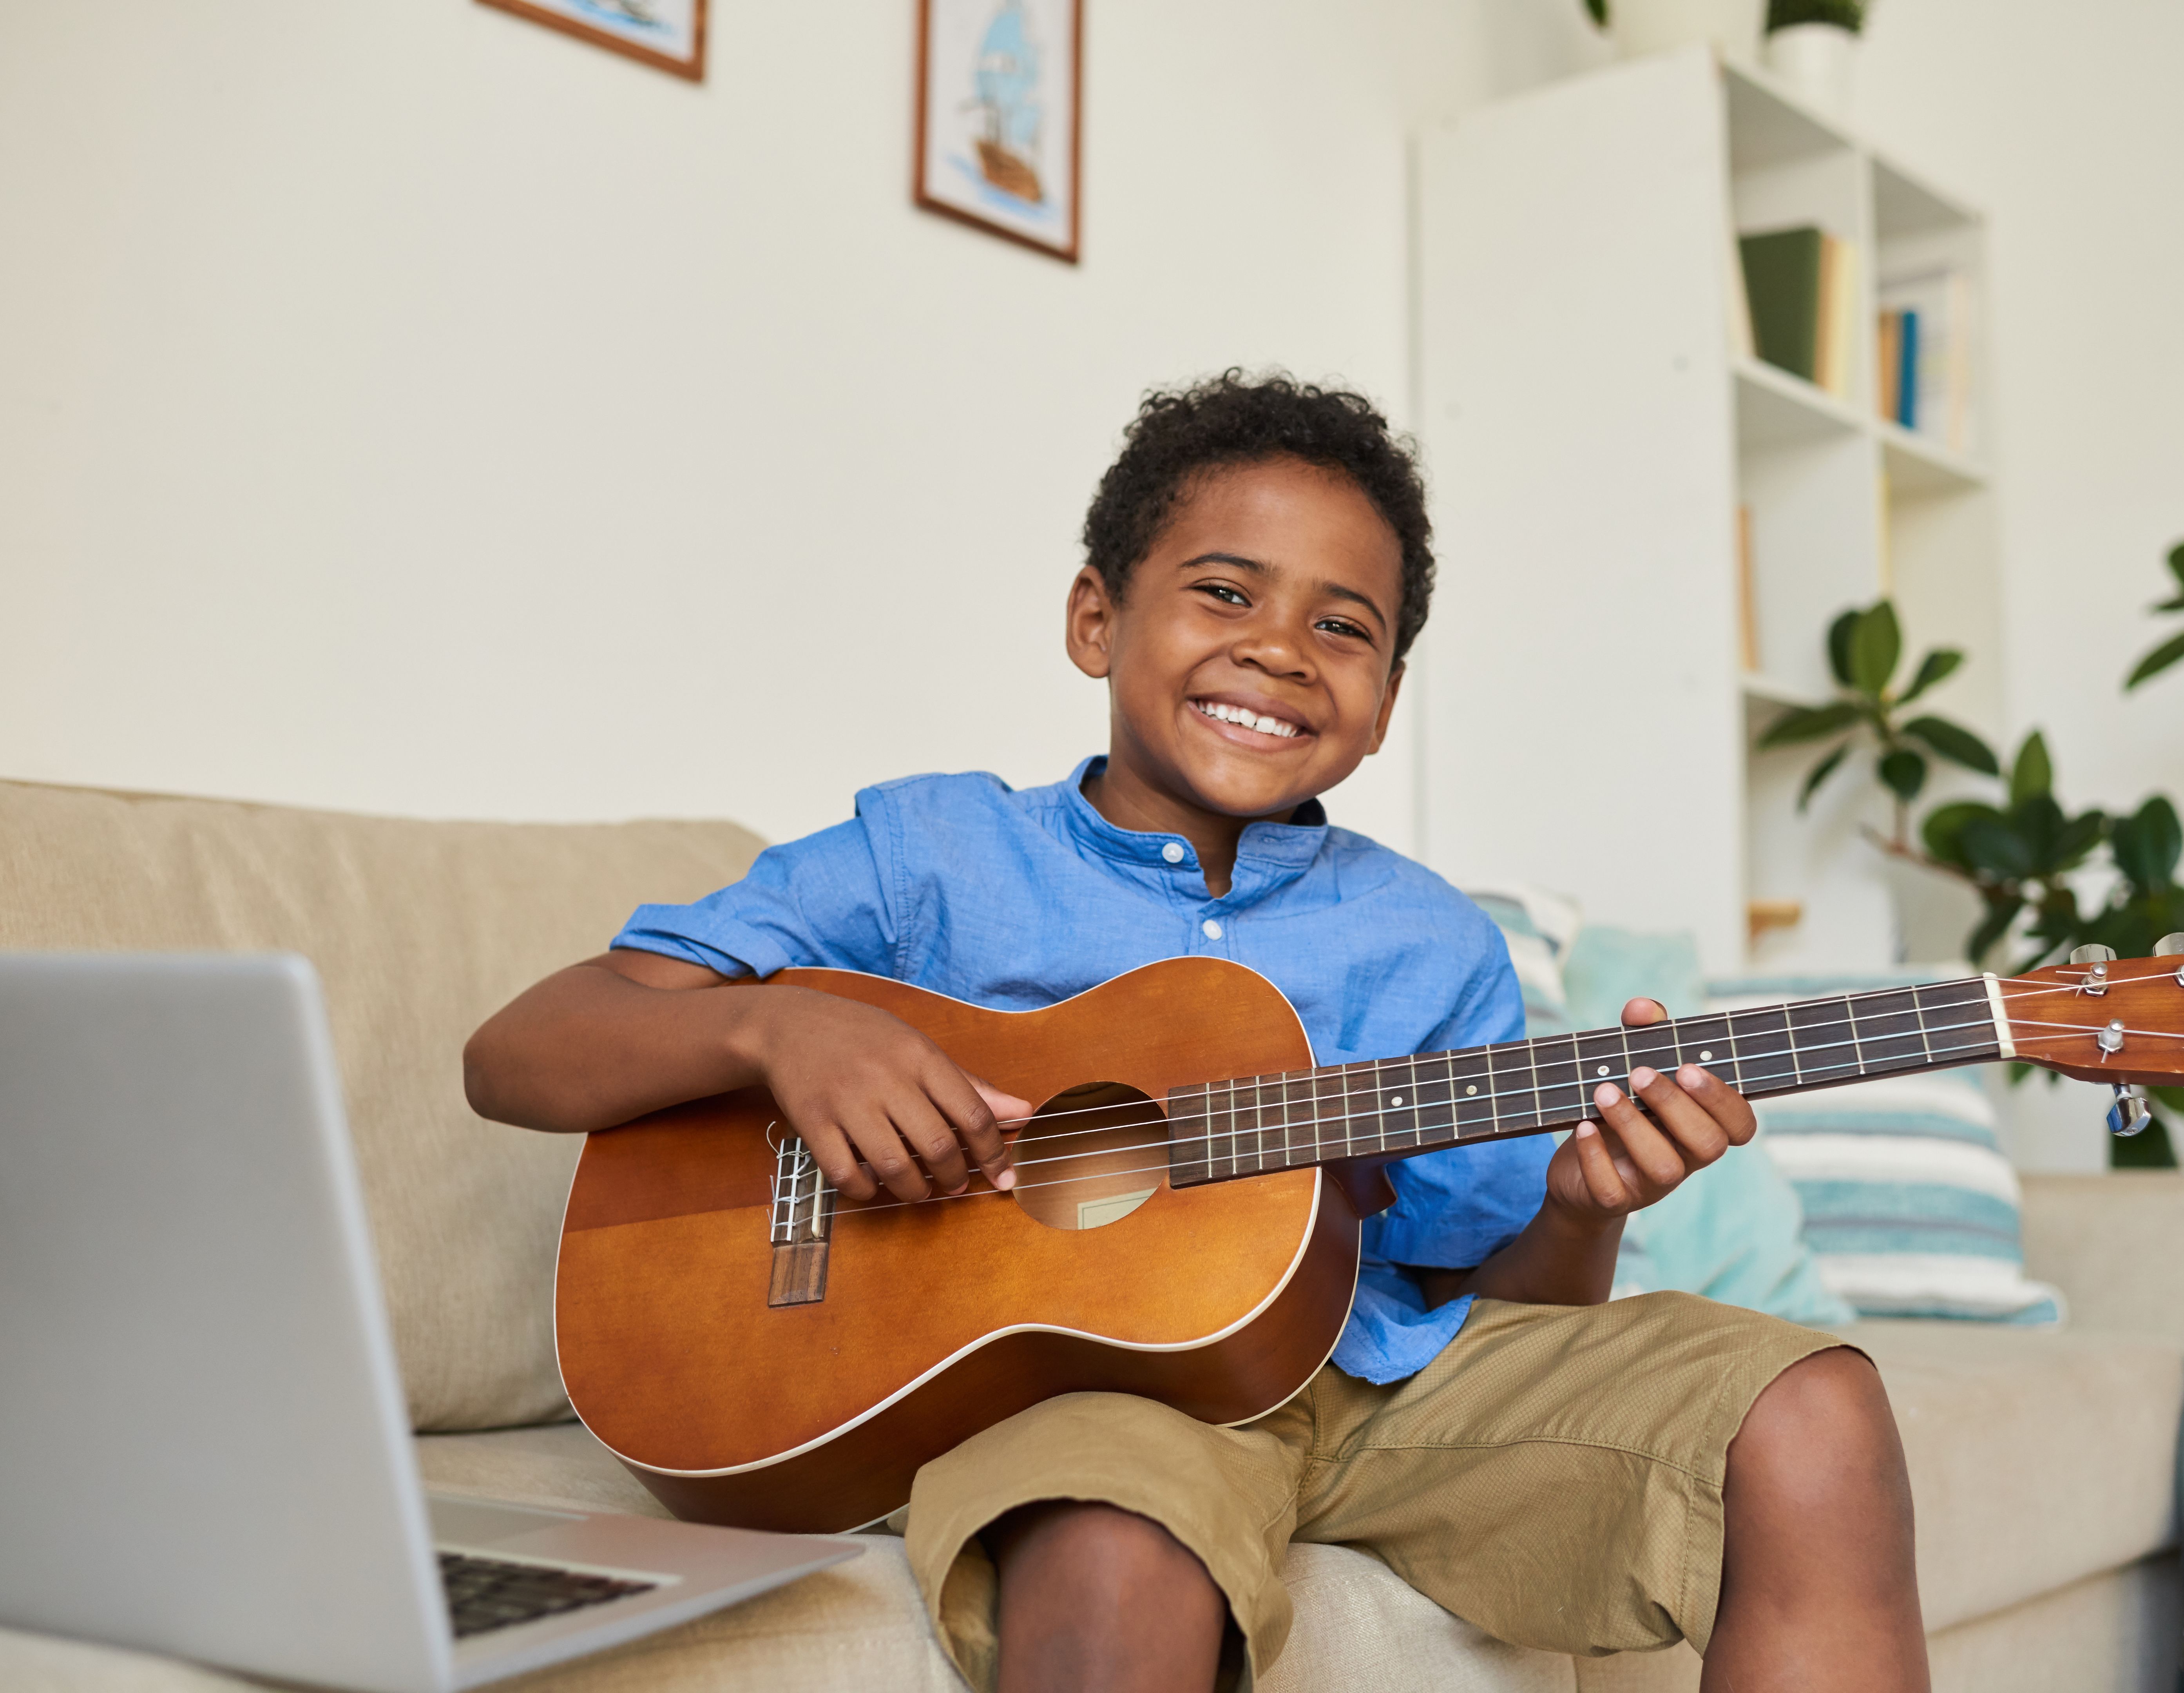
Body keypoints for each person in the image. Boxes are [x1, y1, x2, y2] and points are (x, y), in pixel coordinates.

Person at [464, 371, 1927, 1693]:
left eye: (1340, 627)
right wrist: (783, 1031)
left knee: (1814, 1403)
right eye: (1225, 593)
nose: (1282, 652)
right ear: (1096, 616)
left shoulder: (1428, 943)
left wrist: (1583, 1204)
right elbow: (520, 1053)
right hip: (1085, 1404)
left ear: (1384, 701)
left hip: (1380, 1393)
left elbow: (1515, 1318)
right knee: (1114, 1533)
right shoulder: (935, 855)